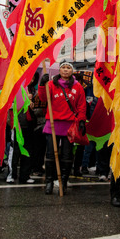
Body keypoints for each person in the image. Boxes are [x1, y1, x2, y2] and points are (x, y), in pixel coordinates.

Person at [38, 61, 87, 195]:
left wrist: (82, 121)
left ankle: (63, 182)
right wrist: (42, 84)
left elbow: (82, 106)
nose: (65, 70)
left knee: (66, 155)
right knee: (50, 155)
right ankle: (48, 182)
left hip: (69, 124)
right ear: (59, 70)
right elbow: (43, 98)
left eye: (68, 68)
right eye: (63, 68)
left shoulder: (78, 87)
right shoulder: (51, 84)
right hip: (53, 123)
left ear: (72, 71)